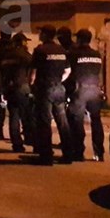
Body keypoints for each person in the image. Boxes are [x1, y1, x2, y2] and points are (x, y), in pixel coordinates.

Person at [30, 25, 73, 165]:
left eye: (40, 32)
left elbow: (33, 72)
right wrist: (59, 80)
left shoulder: (40, 50)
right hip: (59, 88)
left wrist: (32, 85)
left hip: (45, 89)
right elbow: (68, 70)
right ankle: (68, 154)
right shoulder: (62, 50)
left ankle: (46, 156)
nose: (39, 34)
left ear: (45, 34)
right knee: (62, 122)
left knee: (44, 122)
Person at [66, 29, 105, 162]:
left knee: (76, 120)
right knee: (96, 120)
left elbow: (69, 72)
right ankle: (99, 153)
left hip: (80, 90)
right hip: (94, 89)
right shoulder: (96, 54)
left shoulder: (73, 54)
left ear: (79, 39)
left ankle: (78, 152)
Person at [0, 32, 35, 152]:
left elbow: (2, 72)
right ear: (22, 42)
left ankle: (17, 144)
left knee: (13, 116)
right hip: (23, 87)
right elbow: (33, 70)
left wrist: (4, 88)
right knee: (27, 115)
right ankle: (30, 139)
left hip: (9, 88)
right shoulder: (25, 55)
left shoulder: (7, 56)